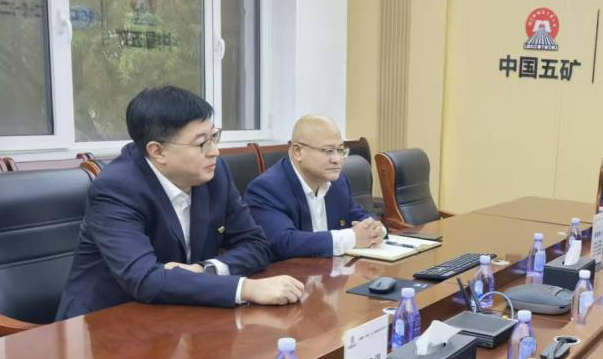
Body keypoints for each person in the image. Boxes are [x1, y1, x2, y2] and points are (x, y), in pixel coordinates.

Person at [56, 86, 304, 320]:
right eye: (202, 143)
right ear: (158, 151)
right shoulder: (117, 190)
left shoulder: (214, 174)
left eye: (214, 136)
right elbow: (144, 279)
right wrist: (245, 288)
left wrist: (205, 270)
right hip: (104, 323)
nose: (215, 151)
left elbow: (256, 245)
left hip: (177, 315)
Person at [244, 114, 386, 259]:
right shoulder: (267, 188)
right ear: (298, 152)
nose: (337, 159)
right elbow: (284, 242)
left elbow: (360, 215)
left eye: (341, 150)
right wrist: (352, 238)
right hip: (292, 271)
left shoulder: (338, 182)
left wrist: (376, 230)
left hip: (332, 269)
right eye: (328, 151)